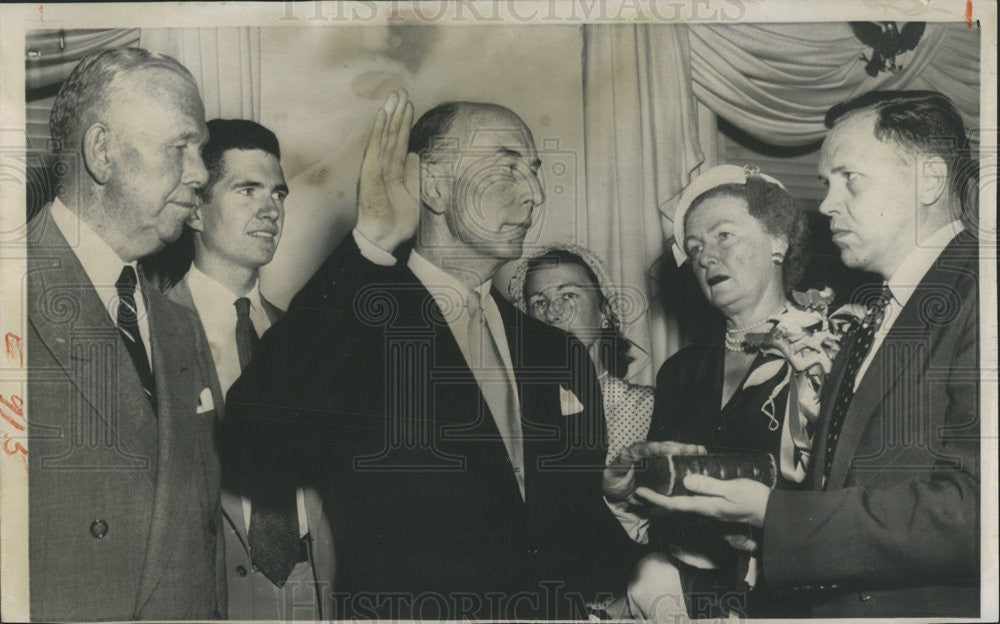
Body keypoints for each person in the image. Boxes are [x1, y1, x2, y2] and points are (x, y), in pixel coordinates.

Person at [223, 92, 641, 619]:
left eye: (535, 171)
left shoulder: (557, 352)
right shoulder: (359, 325)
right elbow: (250, 443)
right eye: (508, 167)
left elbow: (569, 521)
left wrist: (648, 564)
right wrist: (369, 245)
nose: (535, 193)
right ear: (435, 186)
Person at [636, 90, 980, 618]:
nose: (824, 205)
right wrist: (758, 532)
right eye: (826, 183)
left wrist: (777, 516)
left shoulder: (981, 293)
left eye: (850, 179)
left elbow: (979, 512)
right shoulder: (882, 311)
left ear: (930, 180)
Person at [26, 47, 226, 620]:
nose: (202, 173)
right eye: (180, 147)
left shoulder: (179, 324)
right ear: (102, 153)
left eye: (202, 150)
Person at [606, 164, 813, 619]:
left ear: (778, 241)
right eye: (695, 247)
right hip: (685, 596)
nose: (705, 257)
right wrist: (626, 488)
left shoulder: (824, 350)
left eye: (724, 236)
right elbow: (660, 512)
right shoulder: (680, 371)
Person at [159, 119, 335, 620]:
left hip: (316, 593)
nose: (271, 209)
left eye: (278, 194)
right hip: (207, 601)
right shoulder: (150, 332)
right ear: (195, 207)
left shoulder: (310, 339)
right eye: (247, 189)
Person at [512, 244, 655, 466]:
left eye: (568, 295)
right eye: (538, 302)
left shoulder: (646, 407)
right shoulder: (516, 408)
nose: (552, 312)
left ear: (604, 310)